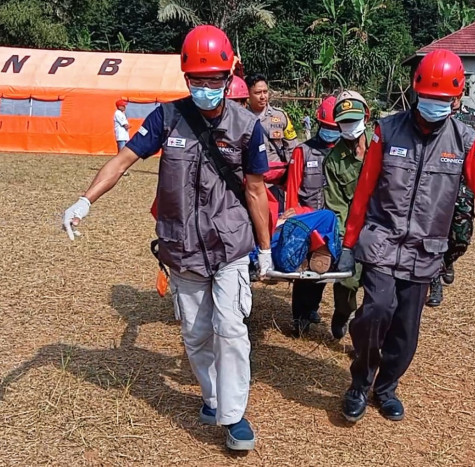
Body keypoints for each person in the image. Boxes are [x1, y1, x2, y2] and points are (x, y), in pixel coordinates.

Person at [62, 25, 270, 451]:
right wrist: (84, 202)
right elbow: (122, 161)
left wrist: (265, 249)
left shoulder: (247, 126)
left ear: (229, 77)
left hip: (229, 244)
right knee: (195, 333)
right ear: (185, 77)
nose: (207, 88)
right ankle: (212, 398)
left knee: (230, 328)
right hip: (182, 247)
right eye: (198, 80)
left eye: (215, 79)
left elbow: (254, 190)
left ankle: (234, 417)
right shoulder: (166, 117)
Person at [336, 49, 475, 423]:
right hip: (382, 242)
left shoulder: (465, 141)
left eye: (443, 100)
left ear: (456, 99)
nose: (434, 106)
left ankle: (386, 387)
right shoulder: (386, 131)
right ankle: (360, 381)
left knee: (405, 331)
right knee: (375, 311)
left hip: (425, 250)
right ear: (415, 90)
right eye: (428, 98)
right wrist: (347, 245)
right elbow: (364, 192)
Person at [285, 91, 370, 338]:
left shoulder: (375, 147)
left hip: (354, 227)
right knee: (310, 273)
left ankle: (329, 314)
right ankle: (302, 315)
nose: (334, 130)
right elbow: (293, 190)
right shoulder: (307, 152)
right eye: (329, 126)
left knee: (337, 276)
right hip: (314, 223)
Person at [427, 89, 475, 308]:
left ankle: (447, 261)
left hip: (464, 186)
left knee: (462, 237)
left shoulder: (473, 117)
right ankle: (434, 282)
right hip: (438, 186)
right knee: (434, 235)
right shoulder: (436, 115)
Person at [245, 73, 298, 204]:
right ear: (248, 94)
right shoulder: (241, 117)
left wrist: (291, 177)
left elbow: (292, 147)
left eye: (265, 92)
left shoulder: (280, 116)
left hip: (275, 183)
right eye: (258, 92)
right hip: (251, 181)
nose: (263, 96)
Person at [113, 99, 131, 176]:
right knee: (122, 154)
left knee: (122, 153)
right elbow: (125, 125)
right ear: (119, 106)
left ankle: (121, 169)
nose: (124, 107)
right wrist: (129, 126)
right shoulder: (118, 114)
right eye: (123, 105)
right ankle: (120, 169)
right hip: (121, 136)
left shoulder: (121, 113)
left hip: (123, 136)